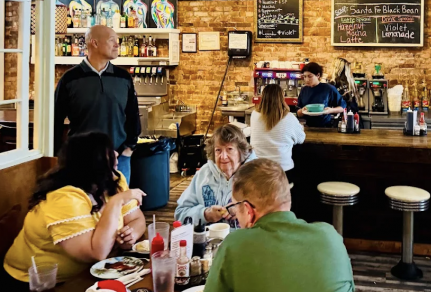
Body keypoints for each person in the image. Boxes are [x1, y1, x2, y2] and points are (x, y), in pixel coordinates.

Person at [1, 132, 146, 290]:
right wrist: (116, 203)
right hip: (41, 284)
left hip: (95, 273)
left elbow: (137, 220)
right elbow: (97, 253)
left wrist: (130, 236)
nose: (116, 154)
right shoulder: (64, 198)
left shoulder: (113, 181)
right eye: (109, 151)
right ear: (91, 162)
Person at [205, 159, 355, 292]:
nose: (236, 215)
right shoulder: (331, 237)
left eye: (236, 207)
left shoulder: (234, 245)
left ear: (248, 210)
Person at [54, 25, 141, 184]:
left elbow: (133, 116)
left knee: (121, 200)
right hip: (81, 160)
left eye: (117, 41)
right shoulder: (70, 79)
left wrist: (129, 148)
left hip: (119, 159)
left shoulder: (123, 78)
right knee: (83, 200)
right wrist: (59, 155)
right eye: (112, 40)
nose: (117, 45)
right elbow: (55, 120)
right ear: (94, 43)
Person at [175, 124, 256, 228]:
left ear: (241, 151)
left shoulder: (255, 175)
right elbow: (180, 213)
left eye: (229, 149)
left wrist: (244, 212)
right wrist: (205, 214)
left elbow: (269, 217)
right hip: (207, 237)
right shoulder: (204, 174)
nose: (223, 156)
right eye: (218, 150)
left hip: (243, 238)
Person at [251, 84, 305, 183]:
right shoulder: (289, 117)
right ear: (282, 98)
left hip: (258, 171)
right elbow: (301, 139)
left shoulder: (254, 115)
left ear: (263, 97)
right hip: (283, 172)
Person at [297, 62, 346, 128]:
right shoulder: (304, 90)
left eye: (310, 76)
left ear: (318, 75)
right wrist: (302, 111)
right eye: (304, 76)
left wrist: (330, 110)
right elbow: (298, 112)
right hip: (308, 127)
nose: (306, 79)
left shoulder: (328, 88)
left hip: (326, 127)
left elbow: (342, 107)